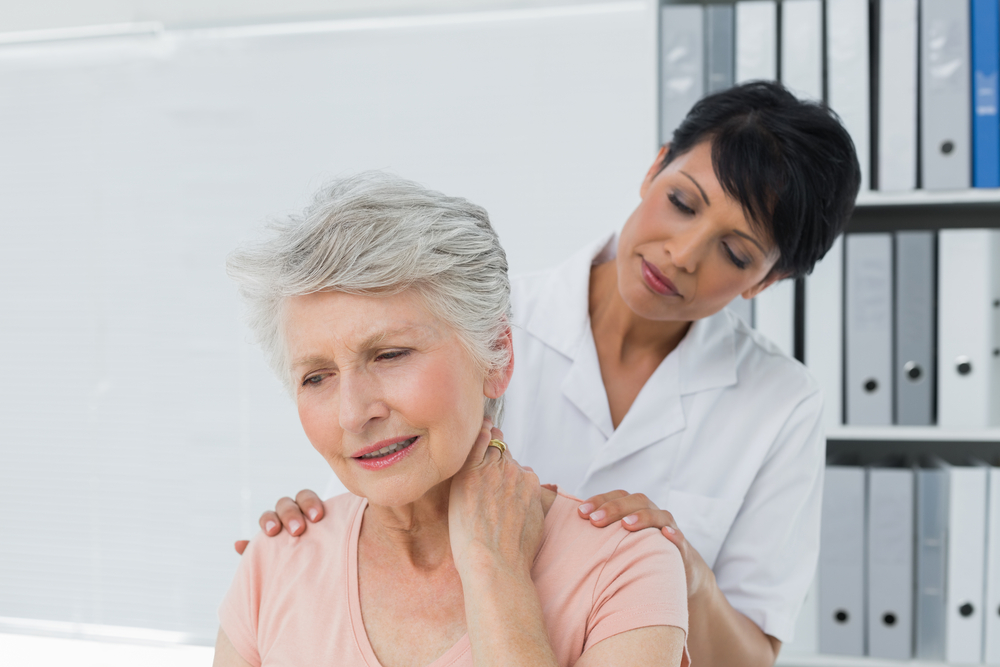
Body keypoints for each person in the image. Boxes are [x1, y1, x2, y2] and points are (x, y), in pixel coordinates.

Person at [244, 81, 862, 667]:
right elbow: (374, 451)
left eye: (735, 251)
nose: (682, 253)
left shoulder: (781, 404)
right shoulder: (477, 318)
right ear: (654, 168)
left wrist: (683, 570)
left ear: (766, 281)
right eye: (681, 202)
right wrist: (312, 546)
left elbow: (750, 656)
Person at [215, 172, 689, 667]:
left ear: (497, 358)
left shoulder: (626, 570)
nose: (354, 414)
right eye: (316, 377)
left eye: (390, 355)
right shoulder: (273, 566)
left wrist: (495, 572)